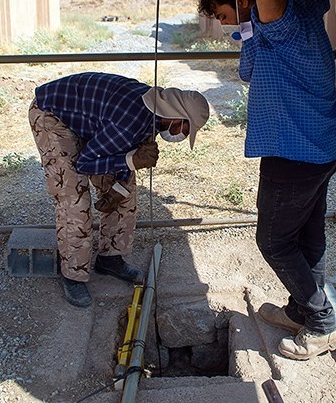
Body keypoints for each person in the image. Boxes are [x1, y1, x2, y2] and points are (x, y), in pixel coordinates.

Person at [197, 0, 336, 360]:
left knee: (274, 241)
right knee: (308, 237)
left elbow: (270, 1)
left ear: (246, 1)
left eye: (224, 16)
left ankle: (322, 323)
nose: (224, 26)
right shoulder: (300, 12)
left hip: (295, 152)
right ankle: (304, 310)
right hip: (320, 145)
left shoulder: (275, 18)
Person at [29, 72, 210, 308]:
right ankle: (73, 275)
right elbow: (83, 164)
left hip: (91, 119)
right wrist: (131, 161)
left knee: (125, 191)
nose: (183, 136)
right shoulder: (130, 121)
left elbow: (121, 150)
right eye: (186, 129)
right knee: (74, 199)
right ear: (176, 117)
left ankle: (110, 258)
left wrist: (117, 187)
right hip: (53, 115)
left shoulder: (154, 113)